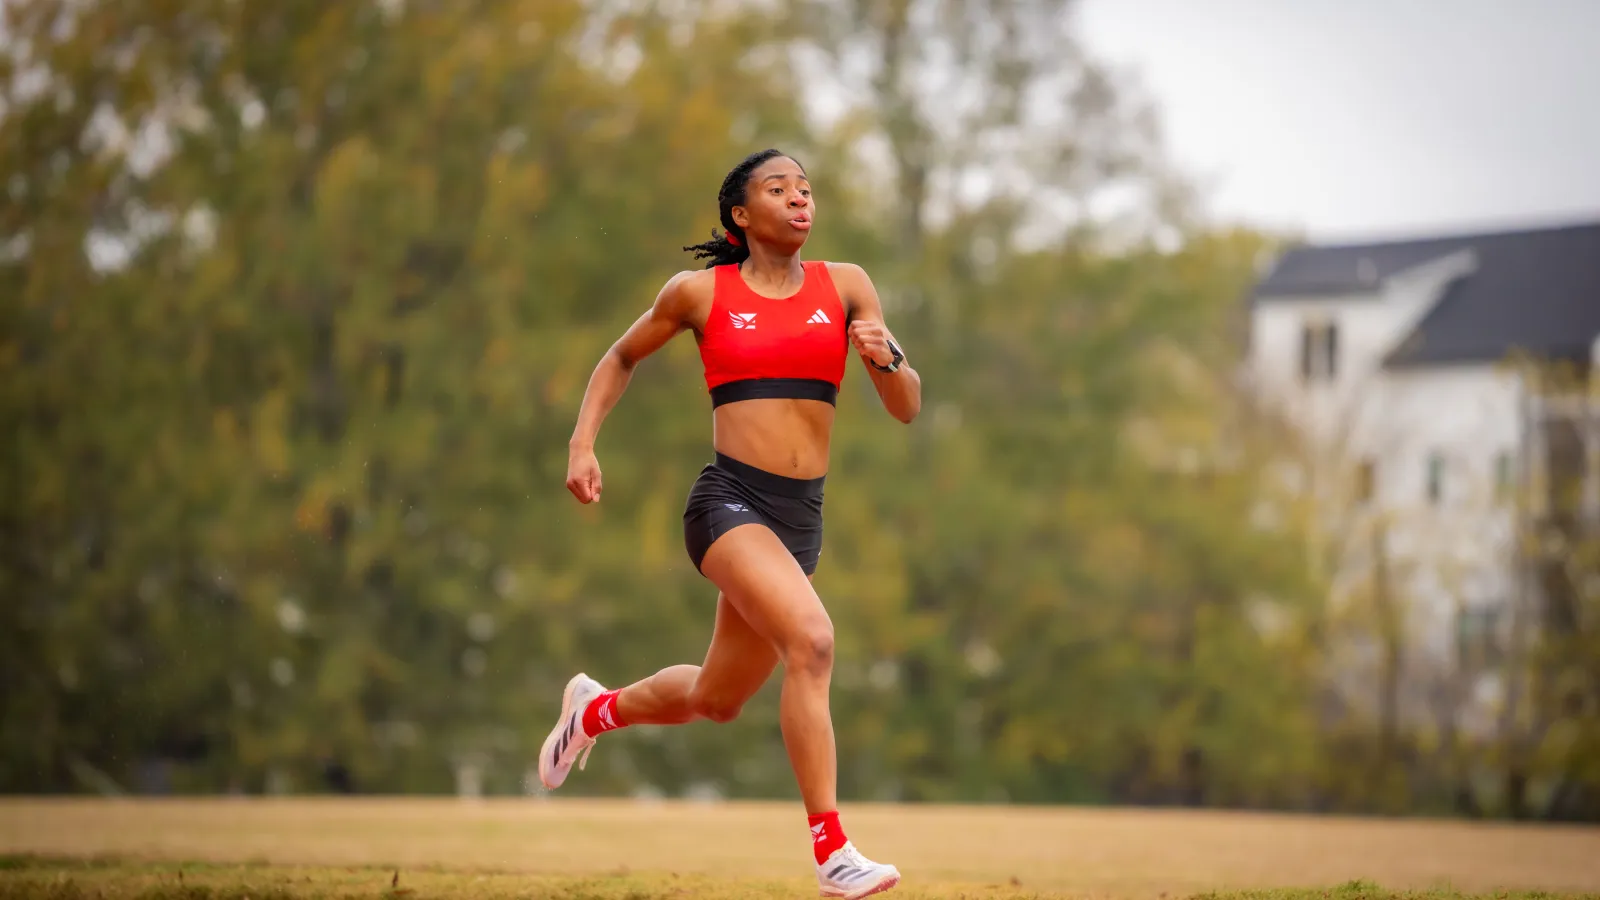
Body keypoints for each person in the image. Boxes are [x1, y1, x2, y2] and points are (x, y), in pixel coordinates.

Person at [540, 148, 921, 899]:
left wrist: (886, 358)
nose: (799, 199)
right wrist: (583, 444)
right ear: (741, 215)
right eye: (779, 190)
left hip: (799, 520)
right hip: (729, 504)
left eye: (805, 189)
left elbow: (906, 405)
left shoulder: (847, 285)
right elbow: (620, 356)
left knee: (716, 700)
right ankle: (833, 853)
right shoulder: (699, 293)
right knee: (813, 642)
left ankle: (595, 710)